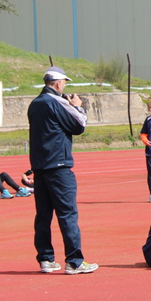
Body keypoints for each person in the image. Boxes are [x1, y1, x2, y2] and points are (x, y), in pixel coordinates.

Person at [27, 66, 98, 275]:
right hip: (58, 166)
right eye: (64, 83)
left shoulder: (35, 103)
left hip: (40, 167)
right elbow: (79, 126)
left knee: (43, 216)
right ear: (58, 84)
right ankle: (74, 261)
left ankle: (46, 259)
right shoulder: (56, 101)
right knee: (67, 214)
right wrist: (76, 106)